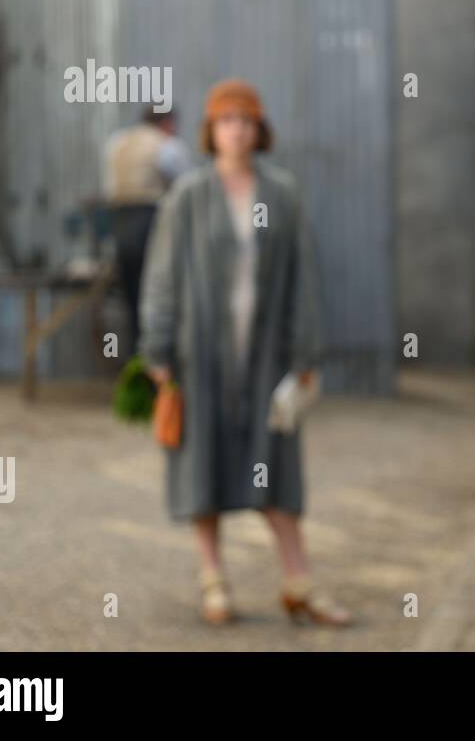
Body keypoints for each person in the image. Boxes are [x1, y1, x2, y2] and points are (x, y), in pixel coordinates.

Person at [138, 78, 351, 627]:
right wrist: (158, 350)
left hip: (266, 356)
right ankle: (214, 581)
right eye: (227, 121)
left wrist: (305, 355)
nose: (237, 130)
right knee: (202, 460)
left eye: (247, 121)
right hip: (200, 352)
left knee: (275, 464)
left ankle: (298, 583)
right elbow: (161, 277)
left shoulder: (281, 193)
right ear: (212, 130)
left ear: (260, 130)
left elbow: (304, 274)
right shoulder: (188, 196)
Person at [103, 106, 192, 356]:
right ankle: (157, 364)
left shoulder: (118, 142)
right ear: (167, 123)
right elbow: (188, 188)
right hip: (151, 228)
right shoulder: (167, 147)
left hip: (120, 228)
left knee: (132, 302)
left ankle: (137, 362)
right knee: (158, 298)